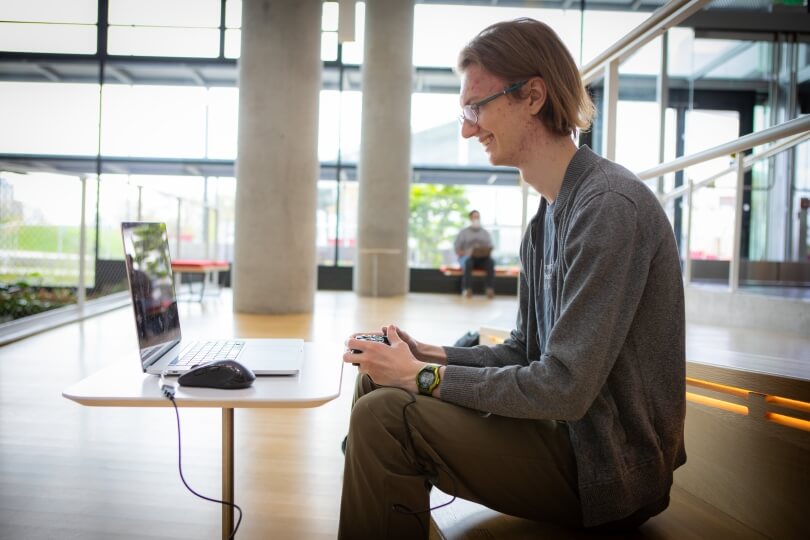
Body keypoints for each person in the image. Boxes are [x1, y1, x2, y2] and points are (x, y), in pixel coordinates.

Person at [338, 17, 685, 540]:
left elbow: (564, 388)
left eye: (477, 107)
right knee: (375, 380)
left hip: (606, 468)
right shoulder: (545, 221)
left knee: (384, 416)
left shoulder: (608, 207)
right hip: (563, 436)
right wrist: (430, 354)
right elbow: (526, 351)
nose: (467, 127)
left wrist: (419, 377)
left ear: (533, 97)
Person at [454, 209, 496, 298]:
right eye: (474, 217)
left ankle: (489, 289)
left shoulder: (485, 233)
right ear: (470, 218)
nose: (476, 219)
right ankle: (466, 289)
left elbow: (490, 246)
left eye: (478, 217)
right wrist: (466, 253)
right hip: (467, 258)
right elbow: (457, 249)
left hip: (482, 259)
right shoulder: (463, 233)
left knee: (491, 262)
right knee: (468, 262)